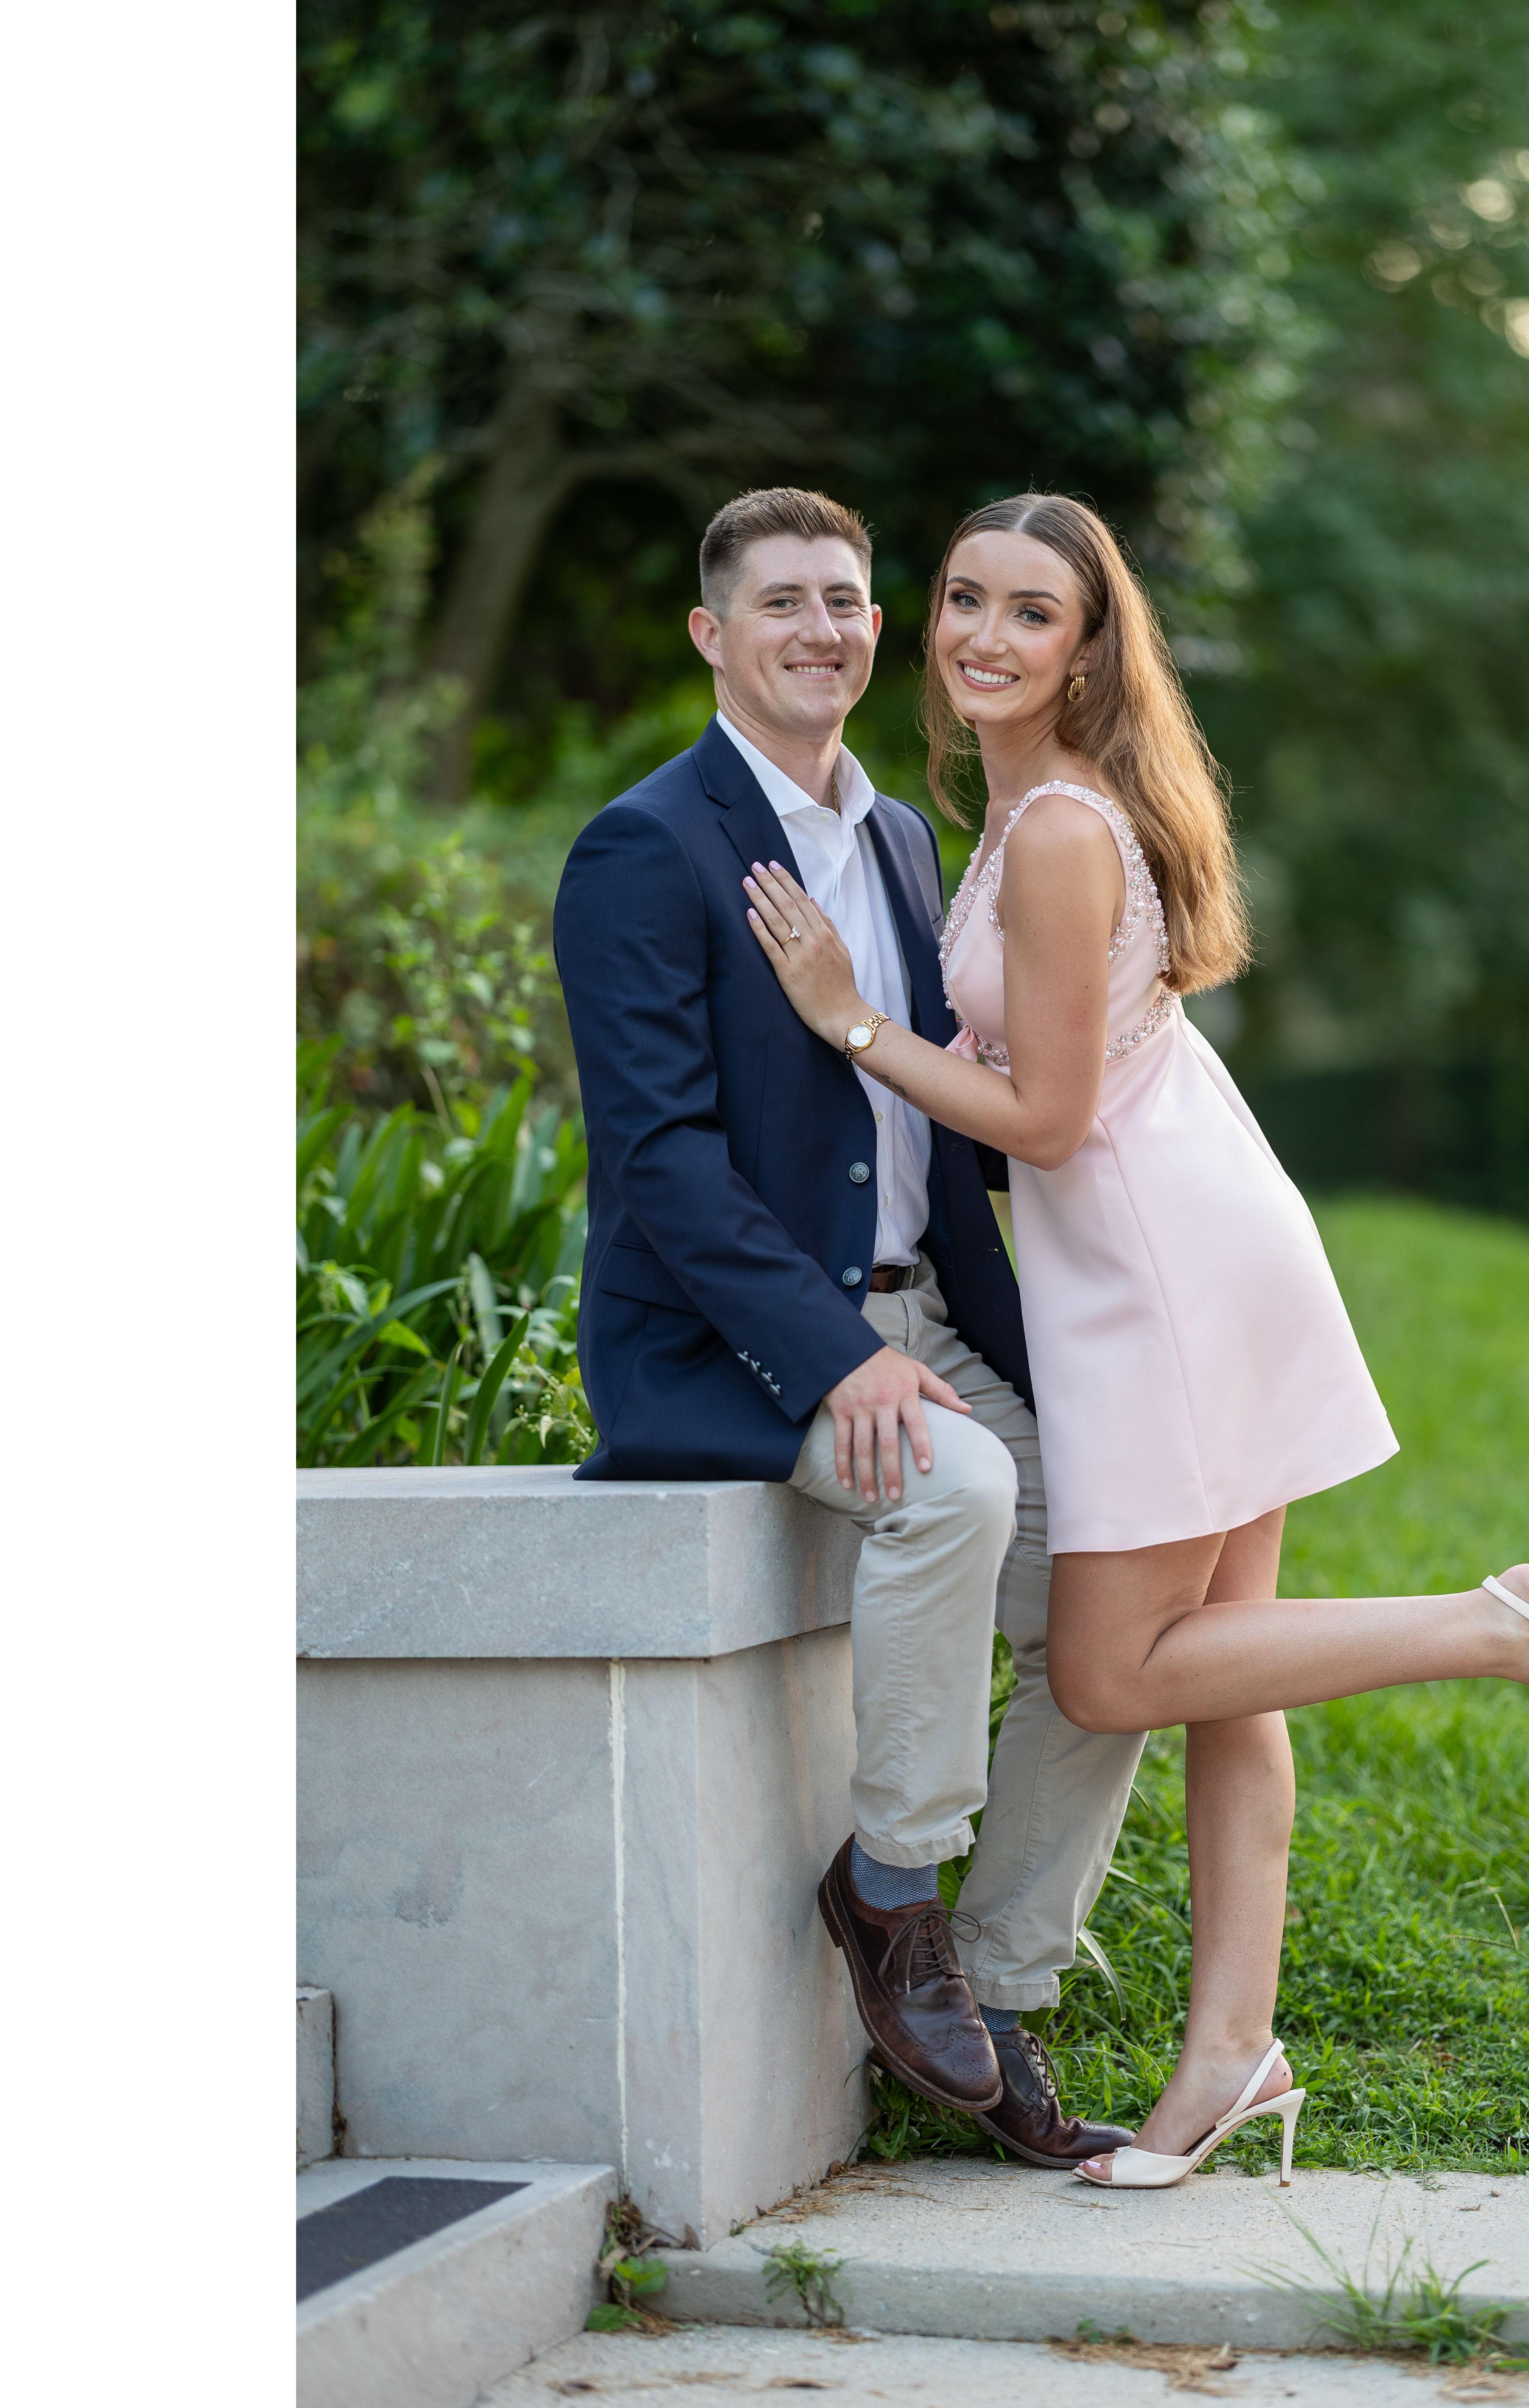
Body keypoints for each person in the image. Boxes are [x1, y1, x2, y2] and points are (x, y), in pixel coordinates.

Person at [741, 492, 1529, 2191]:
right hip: (1183, 1240)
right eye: (965, 600)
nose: (984, 637)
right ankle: (1234, 2052)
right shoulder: (1025, 809)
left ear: (1089, 651)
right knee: (1237, 1673)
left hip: (1160, 1276)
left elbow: (1050, 1117)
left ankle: (1502, 1625)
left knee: (1114, 1673)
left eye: (1032, 614)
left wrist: (848, 1022)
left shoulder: (1060, 830)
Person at [552, 487, 1148, 2170]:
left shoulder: (901, 841)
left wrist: (1055, 1324)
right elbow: (662, 1162)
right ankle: (893, 1894)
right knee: (957, 1491)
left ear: (877, 629)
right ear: (712, 634)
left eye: (845, 601)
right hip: (736, 1348)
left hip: (928, 1319)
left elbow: (951, 1126)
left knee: (1114, 1594)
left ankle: (1001, 1988)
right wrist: (838, 1358)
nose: (821, 629)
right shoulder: (645, 848)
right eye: (782, 602)